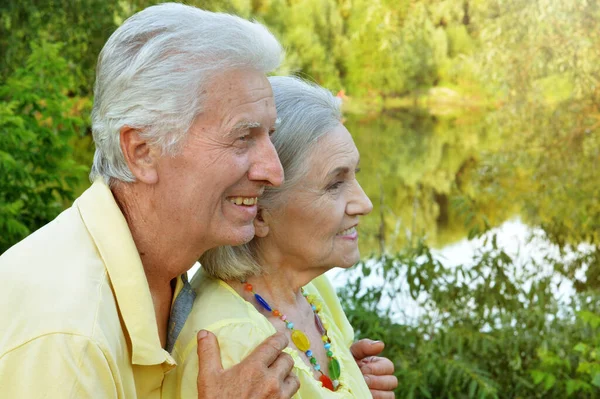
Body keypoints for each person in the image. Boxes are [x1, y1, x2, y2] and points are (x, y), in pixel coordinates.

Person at [0, 3, 299, 398]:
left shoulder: (163, 273)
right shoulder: (68, 338)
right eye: (243, 137)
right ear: (142, 151)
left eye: (269, 135)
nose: (273, 172)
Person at [164, 76, 399, 398]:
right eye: (334, 184)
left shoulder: (307, 289)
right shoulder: (237, 344)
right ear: (256, 211)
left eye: (353, 176)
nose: (364, 204)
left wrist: (354, 387)